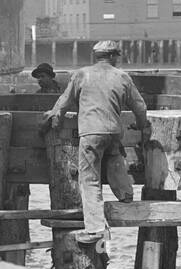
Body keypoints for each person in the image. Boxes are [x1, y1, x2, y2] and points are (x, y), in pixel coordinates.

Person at [40, 40, 150, 244]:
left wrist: (55, 117)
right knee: (115, 159)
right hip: (114, 132)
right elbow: (140, 107)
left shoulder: (82, 74)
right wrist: (143, 126)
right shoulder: (122, 77)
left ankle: (96, 229)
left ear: (97, 56)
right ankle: (126, 195)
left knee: (89, 180)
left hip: (91, 133)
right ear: (114, 56)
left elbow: (64, 101)